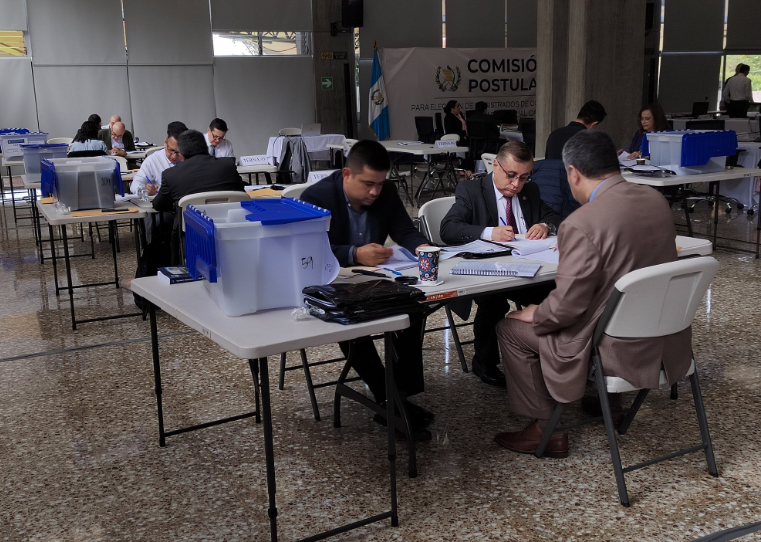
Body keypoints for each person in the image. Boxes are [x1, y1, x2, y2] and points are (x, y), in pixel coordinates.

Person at [493, 130, 692, 458]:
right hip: (665, 337)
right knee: (609, 304)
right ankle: (609, 404)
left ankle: (546, 429)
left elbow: (565, 310)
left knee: (511, 327)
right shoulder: (655, 200)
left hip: (613, 348)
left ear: (573, 172)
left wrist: (536, 312)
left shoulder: (582, 222)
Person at [300, 140, 435, 441]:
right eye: (368, 184)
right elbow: (306, 252)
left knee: (416, 307)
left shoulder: (384, 192)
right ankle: (389, 399)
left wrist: (422, 247)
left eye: (380, 184)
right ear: (347, 174)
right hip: (332, 283)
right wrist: (353, 253)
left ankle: (399, 395)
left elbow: (403, 228)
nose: (375, 192)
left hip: (375, 279)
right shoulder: (316, 197)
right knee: (353, 321)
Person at [440, 141, 563, 387]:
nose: (516, 184)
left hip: (526, 268)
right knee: (493, 302)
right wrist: (488, 232)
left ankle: (543, 353)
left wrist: (544, 225)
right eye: (511, 175)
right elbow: (448, 229)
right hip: (488, 272)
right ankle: (484, 362)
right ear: (495, 165)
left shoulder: (531, 191)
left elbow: (552, 216)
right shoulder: (471, 191)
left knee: (555, 292)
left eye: (524, 177)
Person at [153, 129, 246, 264]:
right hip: (228, 230)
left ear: (182, 153)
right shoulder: (228, 165)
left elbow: (158, 205)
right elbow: (241, 193)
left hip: (190, 235)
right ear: (205, 147)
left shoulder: (171, 175)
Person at [130, 121, 188, 196]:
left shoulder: (191, 159)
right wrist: (144, 190)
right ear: (165, 142)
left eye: (179, 152)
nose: (174, 156)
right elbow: (135, 185)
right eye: (171, 150)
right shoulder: (153, 160)